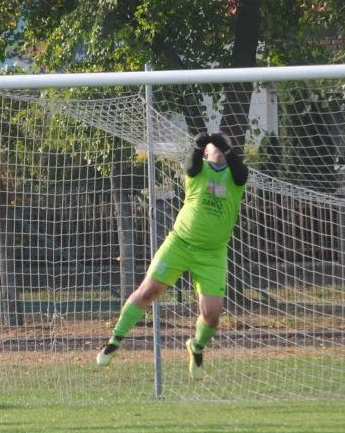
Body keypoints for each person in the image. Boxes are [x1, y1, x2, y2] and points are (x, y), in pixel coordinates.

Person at [97, 131, 248, 380]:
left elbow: (241, 173)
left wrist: (225, 147)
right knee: (148, 291)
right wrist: (200, 146)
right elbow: (191, 165)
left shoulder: (236, 175)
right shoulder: (199, 170)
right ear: (208, 152)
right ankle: (114, 341)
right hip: (180, 243)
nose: (219, 149)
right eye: (214, 147)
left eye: (224, 146)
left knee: (212, 313)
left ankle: (196, 347)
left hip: (212, 254)